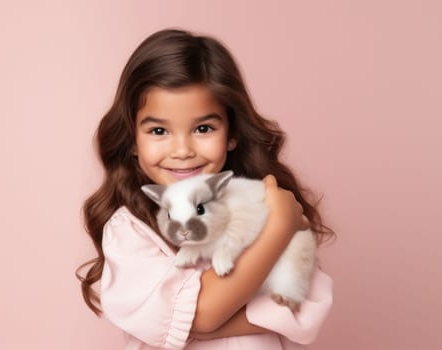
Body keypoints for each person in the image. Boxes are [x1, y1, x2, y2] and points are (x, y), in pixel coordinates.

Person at [77, 28, 336, 349]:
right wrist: (279, 228)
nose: (183, 149)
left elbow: (301, 304)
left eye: (203, 128)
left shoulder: (257, 205)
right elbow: (202, 314)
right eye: (159, 130)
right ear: (132, 140)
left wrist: (197, 322)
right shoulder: (129, 230)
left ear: (232, 133)